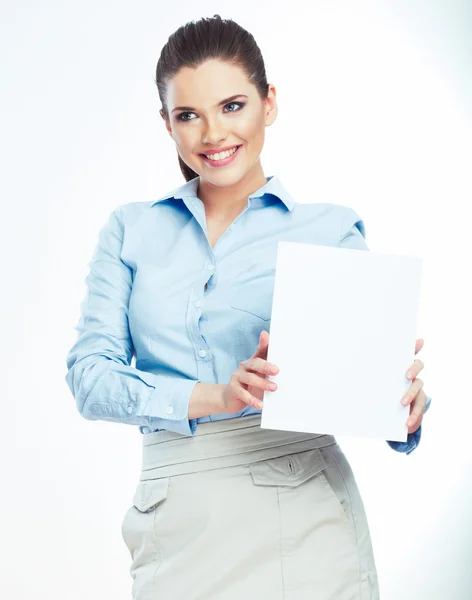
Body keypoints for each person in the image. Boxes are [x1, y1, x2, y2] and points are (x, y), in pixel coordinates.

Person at [65, 14, 432, 599]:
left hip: (304, 518)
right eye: (189, 115)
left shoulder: (330, 231)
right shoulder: (130, 231)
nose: (212, 134)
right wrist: (217, 396)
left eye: (232, 106)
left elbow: (368, 388)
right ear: (167, 124)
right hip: (175, 518)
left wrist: (403, 407)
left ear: (269, 104)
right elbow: (90, 379)